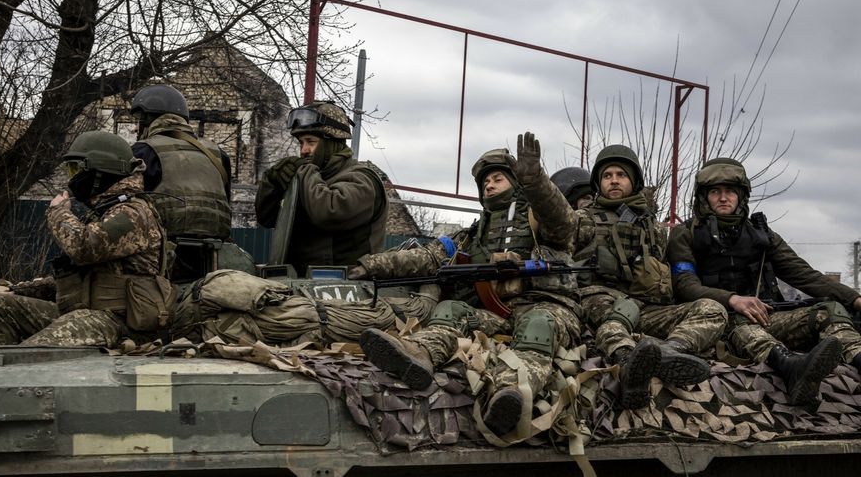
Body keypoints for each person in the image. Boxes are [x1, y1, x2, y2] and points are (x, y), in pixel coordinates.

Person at [353, 132, 583, 438]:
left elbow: (562, 220)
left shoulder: (539, 220)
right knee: (450, 309)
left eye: (498, 178)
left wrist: (536, 180)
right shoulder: (472, 234)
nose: (489, 185)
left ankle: (509, 395)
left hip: (548, 308)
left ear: (515, 182)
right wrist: (371, 265)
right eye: (485, 182)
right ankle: (419, 356)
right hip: (499, 314)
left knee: (538, 326)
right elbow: (427, 257)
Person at [667, 157, 861, 405]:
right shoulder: (685, 235)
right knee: (745, 329)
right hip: (719, 323)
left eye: (730, 192)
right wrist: (732, 300)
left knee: (829, 311)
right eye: (715, 192)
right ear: (704, 197)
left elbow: (805, 275)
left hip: (767, 316)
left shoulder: (762, 235)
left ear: (741, 196)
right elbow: (684, 285)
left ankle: (857, 356)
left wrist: (854, 299)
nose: (723, 198)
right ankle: (790, 367)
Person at [0, 131, 174, 346]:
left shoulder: (133, 214)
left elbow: (84, 246)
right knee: (0, 306)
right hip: (92, 314)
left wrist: (58, 213)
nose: (72, 178)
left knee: (34, 350)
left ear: (100, 171)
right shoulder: (104, 211)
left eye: (76, 169)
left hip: (121, 322)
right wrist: (14, 290)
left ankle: (17, 374)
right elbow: (75, 280)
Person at [572, 145, 727, 409]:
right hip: (602, 301)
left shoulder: (653, 227)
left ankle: (670, 352)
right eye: (607, 175)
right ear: (598, 182)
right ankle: (628, 364)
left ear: (634, 181)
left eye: (621, 174)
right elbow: (551, 217)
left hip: (648, 308)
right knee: (614, 325)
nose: (614, 180)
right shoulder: (581, 220)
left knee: (713, 309)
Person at [130, 84, 248, 282]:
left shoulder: (143, 151)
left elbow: (128, 205)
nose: (136, 127)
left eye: (139, 121)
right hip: (215, 258)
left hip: (164, 257)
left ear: (148, 119)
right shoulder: (218, 154)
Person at [255, 101, 388, 275]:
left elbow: (329, 212)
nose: (304, 150)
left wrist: (304, 172)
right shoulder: (311, 178)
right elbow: (267, 218)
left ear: (332, 142)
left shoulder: (363, 180)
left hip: (348, 289)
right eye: (301, 143)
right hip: (299, 284)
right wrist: (272, 182)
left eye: (311, 141)